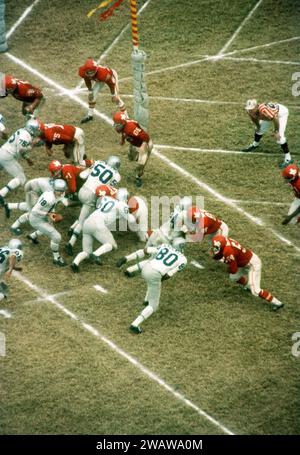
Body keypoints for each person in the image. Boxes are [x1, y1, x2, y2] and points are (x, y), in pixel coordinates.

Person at [117, 237, 187, 334]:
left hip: (146, 268)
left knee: (152, 283)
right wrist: (159, 279)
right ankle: (135, 325)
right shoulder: (183, 259)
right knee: (154, 305)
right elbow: (168, 275)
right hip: (155, 274)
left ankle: (146, 300)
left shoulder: (165, 246)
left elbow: (146, 250)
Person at [71, 187, 136, 272]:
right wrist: (132, 214)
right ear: (125, 197)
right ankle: (95, 255)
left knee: (86, 252)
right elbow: (131, 219)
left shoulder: (106, 198)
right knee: (112, 245)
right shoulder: (121, 204)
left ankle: (75, 262)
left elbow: (100, 206)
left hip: (87, 222)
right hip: (98, 223)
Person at [211, 235, 284, 311]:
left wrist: (226, 263)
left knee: (255, 291)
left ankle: (277, 303)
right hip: (244, 261)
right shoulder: (226, 242)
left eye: (216, 247)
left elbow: (233, 269)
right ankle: (248, 286)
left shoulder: (228, 251)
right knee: (234, 277)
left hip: (253, 264)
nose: (215, 248)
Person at [66, 155, 121, 255]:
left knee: (83, 215)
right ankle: (70, 243)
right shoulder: (116, 175)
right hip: (91, 195)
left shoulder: (98, 163)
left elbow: (82, 175)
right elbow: (106, 189)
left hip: (82, 190)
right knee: (83, 222)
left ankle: (73, 227)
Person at [0, 118, 40, 217]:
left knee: (20, 173)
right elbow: (21, 151)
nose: (37, 131)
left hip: (3, 152)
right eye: (36, 129)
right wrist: (32, 149)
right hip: (7, 157)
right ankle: (1, 193)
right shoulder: (26, 136)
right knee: (21, 178)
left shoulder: (22, 130)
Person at [26, 179, 67, 267]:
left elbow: (54, 204)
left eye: (62, 191)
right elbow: (34, 210)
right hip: (36, 219)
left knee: (49, 228)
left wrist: (52, 214)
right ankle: (56, 258)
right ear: (54, 189)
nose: (60, 193)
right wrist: (48, 214)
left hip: (44, 216)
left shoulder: (59, 194)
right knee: (56, 237)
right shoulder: (47, 197)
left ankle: (32, 236)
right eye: (58, 191)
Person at [242, 99, 292, 168]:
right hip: (268, 116)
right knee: (259, 130)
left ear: (256, 107)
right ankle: (255, 144)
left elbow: (275, 119)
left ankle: (288, 158)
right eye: (249, 109)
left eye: (252, 109)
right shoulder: (249, 111)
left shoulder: (263, 110)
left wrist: (276, 131)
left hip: (280, 113)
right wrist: (258, 126)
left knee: (280, 138)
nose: (250, 111)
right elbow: (253, 118)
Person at [78, 58, 127, 124]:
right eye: (88, 72)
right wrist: (90, 91)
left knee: (117, 99)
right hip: (98, 79)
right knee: (92, 97)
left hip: (111, 77)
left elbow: (111, 84)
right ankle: (90, 116)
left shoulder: (103, 74)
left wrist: (113, 95)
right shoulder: (83, 71)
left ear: (95, 70)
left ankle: (127, 118)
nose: (89, 74)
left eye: (91, 72)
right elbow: (87, 80)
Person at [113, 111, 153, 187]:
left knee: (141, 164)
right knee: (131, 157)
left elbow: (145, 137)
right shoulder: (124, 125)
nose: (115, 125)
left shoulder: (131, 128)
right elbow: (124, 132)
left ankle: (138, 177)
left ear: (123, 123)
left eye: (117, 124)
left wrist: (143, 147)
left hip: (144, 143)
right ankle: (139, 158)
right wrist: (123, 140)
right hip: (135, 143)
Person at [0, 239, 23, 303]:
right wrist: (10, 269)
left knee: (4, 287)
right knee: (4, 290)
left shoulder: (3, 248)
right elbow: (12, 257)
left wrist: (14, 268)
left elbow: (6, 260)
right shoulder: (16, 251)